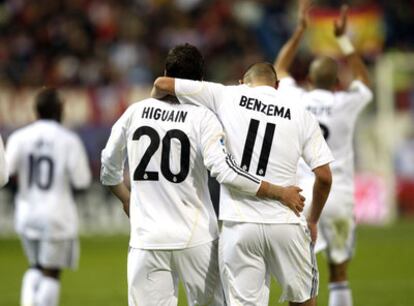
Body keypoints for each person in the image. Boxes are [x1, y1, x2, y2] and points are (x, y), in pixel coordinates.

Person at [101, 44, 305, 306]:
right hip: (197, 238)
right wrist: (277, 191)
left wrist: (125, 198)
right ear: (199, 81)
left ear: (166, 72)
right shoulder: (204, 118)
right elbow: (223, 170)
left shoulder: (135, 112)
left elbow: (108, 163)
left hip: (147, 240)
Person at [152, 47, 333, 306]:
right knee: (304, 302)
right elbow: (324, 177)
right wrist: (313, 219)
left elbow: (163, 83)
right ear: (277, 85)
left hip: (238, 225)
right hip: (286, 221)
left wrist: (152, 107)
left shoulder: (227, 94)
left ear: (242, 82)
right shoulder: (301, 114)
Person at [274, 3, 373, 306]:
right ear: (338, 84)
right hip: (340, 195)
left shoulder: (297, 98)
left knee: (303, 276)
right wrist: (344, 40)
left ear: (309, 81)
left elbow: (278, 69)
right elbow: (365, 83)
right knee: (339, 273)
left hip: (305, 197)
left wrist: (301, 29)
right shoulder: (346, 102)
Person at [6, 88, 92, 306]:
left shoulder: (19, 137)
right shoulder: (68, 140)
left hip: (27, 212)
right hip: (57, 215)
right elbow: (82, 180)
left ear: (36, 110)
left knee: (34, 265)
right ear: (60, 110)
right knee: (51, 273)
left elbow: (6, 172)